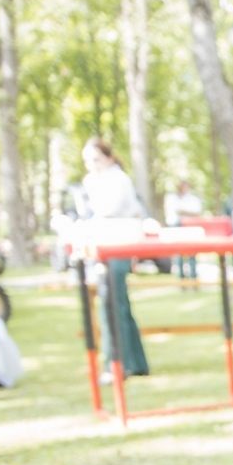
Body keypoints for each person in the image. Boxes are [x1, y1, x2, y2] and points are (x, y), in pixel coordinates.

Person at [82, 138, 149, 377]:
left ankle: (118, 363)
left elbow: (109, 210)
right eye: (88, 161)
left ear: (108, 158)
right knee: (115, 303)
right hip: (103, 243)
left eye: (96, 159)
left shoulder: (118, 179)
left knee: (112, 303)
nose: (92, 165)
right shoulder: (91, 181)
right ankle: (134, 362)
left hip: (119, 243)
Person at [164, 179, 204, 281]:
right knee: (179, 253)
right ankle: (181, 279)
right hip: (176, 226)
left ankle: (193, 277)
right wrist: (185, 212)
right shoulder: (172, 198)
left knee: (192, 252)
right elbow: (174, 211)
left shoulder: (192, 199)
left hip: (190, 226)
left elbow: (196, 212)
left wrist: (183, 212)